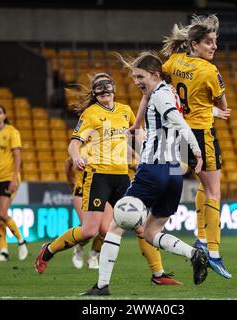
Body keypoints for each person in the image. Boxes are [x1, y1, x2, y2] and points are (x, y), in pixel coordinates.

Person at [35, 73, 181, 285]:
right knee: (89, 230)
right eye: (99, 87)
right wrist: (76, 158)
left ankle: (158, 274)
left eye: (107, 85)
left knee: (141, 226)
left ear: (114, 88)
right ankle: (48, 250)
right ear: (94, 92)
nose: (104, 90)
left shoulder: (125, 111)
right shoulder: (90, 114)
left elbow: (137, 134)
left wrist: (143, 156)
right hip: (98, 175)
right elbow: (74, 143)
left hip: (122, 176)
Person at [82, 52, 208, 296]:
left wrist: (196, 151)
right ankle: (194, 254)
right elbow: (156, 102)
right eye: (134, 77)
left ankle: (102, 286)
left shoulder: (160, 96)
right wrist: (137, 124)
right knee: (151, 233)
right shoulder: (168, 91)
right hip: (173, 174)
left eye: (140, 76)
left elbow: (179, 122)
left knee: (116, 226)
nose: (137, 81)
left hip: (153, 168)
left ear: (155, 74)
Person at [160, 14, 232, 278]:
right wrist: (213, 110)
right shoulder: (210, 71)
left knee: (202, 185)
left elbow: (162, 86)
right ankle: (213, 252)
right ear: (194, 44)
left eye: (215, 42)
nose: (214, 47)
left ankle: (201, 238)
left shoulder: (174, 61)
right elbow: (224, 107)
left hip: (178, 135)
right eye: (209, 42)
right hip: (202, 135)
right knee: (214, 191)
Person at [0, 104, 28, 262]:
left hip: (8, 177)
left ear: (4, 115)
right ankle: (3, 251)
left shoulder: (12, 132)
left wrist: (14, 178)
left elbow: (17, 157)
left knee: (2, 213)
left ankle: (21, 241)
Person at [65, 152, 106, 269]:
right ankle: (79, 247)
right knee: (88, 228)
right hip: (81, 192)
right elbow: (68, 162)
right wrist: (70, 180)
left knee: (105, 230)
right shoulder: (82, 150)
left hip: (101, 192)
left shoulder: (108, 148)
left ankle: (93, 256)